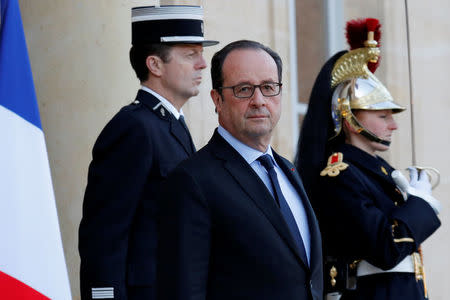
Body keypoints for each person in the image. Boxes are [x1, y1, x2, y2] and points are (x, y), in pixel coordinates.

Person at [156, 40, 323, 300]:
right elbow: (183, 290)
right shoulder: (193, 180)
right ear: (217, 99)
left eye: (269, 87)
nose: (259, 100)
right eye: (244, 89)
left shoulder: (287, 170)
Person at [78, 5, 218, 300]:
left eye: (200, 54)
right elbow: (104, 236)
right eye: (190, 54)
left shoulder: (169, 124)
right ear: (155, 64)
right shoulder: (133, 127)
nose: (203, 64)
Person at [295, 18, 441, 300]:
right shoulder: (341, 176)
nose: (393, 125)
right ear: (350, 119)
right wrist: (419, 205)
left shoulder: (379, 174)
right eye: (383, 116)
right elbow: (385, 248)